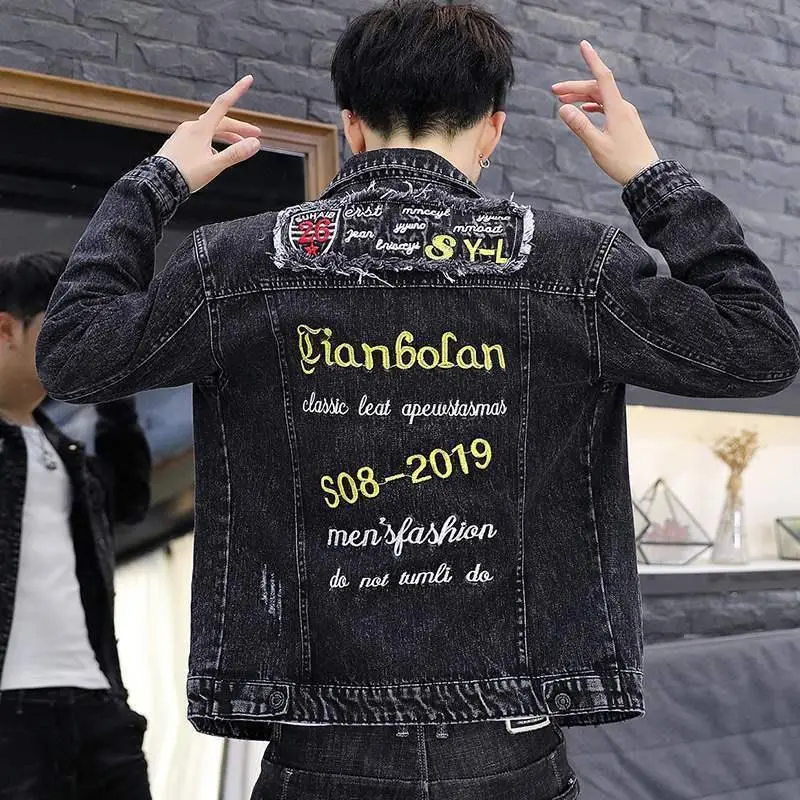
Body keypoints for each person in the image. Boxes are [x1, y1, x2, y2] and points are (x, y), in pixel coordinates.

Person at [35, 1, 800, 798]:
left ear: (352, 126)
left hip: (319, 746)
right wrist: (650, 176)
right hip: (509, 743)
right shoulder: (575, 265)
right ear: (493, 128)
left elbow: (73, 354)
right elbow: (761, 346)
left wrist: (156, 181)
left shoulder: (236, 263)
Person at [0, 251, 153, 799]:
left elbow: (130, 500)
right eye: (61, 326)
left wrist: (112, 386)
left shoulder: (64, 453)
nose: (75, 343)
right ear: (7, 329)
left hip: (95, 699)